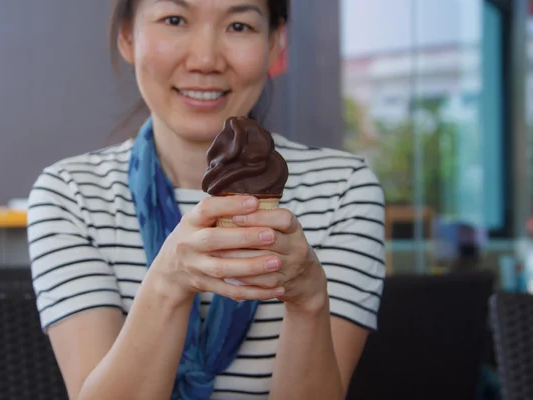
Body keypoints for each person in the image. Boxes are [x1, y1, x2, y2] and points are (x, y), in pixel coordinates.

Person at [26, 0, 385, 399]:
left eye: (239, 26)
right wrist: (168, 282)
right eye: (174, 20)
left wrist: (310, 300)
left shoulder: (342, 190)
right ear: (128, 36)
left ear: (275, 42)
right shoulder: (71, 195)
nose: (205, 59)